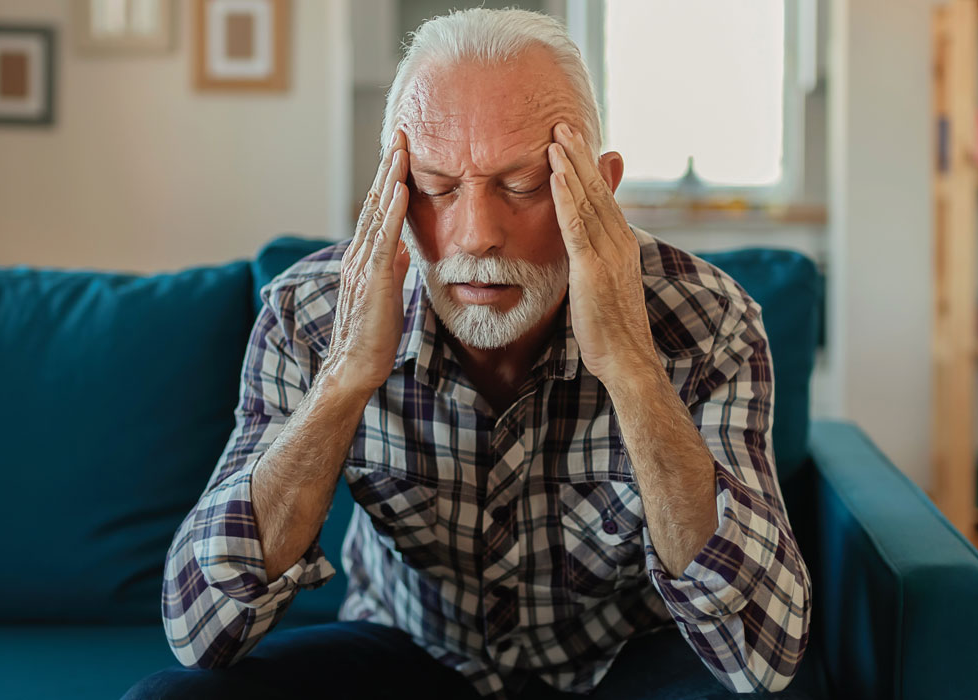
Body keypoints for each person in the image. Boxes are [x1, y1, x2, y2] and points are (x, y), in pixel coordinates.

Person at [127, 8, 810, 700]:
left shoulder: (709, 321)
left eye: (521, 185)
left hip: (622, 664)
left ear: (599, 187)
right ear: (391, 189)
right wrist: (344, 379)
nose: (477, 235)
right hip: (408, 652)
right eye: (437, 187)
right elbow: (200, 630)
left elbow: (763, 654)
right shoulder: (307, 316)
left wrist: (633, 367)